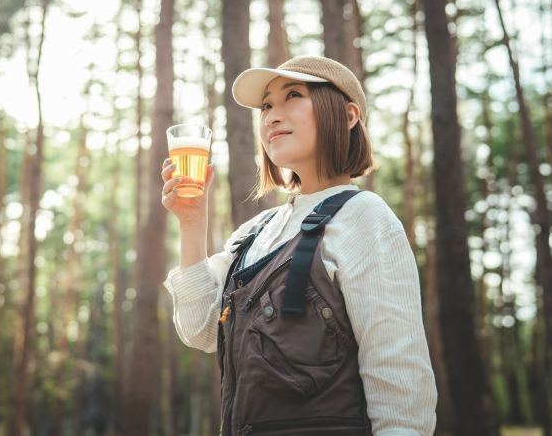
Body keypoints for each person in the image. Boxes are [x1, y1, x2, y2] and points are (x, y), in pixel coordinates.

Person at [160, 56, 437, 435]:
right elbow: (201, 329)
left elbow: (401, 395)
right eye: (267, 106)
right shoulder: (256, 231)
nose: (272, 116)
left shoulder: (365, 217)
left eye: (293, 95)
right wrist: (192, 222)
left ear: (349, 115)